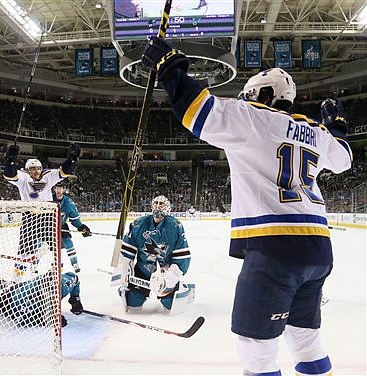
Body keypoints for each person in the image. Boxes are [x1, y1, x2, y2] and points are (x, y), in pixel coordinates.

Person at [141, 37, 352, 375]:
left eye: (252, 95)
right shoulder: (314, 130)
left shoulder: (253, 117)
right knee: (305, 336)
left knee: (255, 348)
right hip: (318, 250)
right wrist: (337, 126)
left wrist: (169, 65)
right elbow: (343, 159)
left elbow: (196, 110)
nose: (246, 100)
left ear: (266, 96)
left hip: (274, 248)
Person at [2, 143, 81, 281]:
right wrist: (10, 160)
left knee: (56, 248)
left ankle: (57, 276)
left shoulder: (48, 175)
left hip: (48, 218)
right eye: (32, 169)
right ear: (27, 170)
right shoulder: (23, 178)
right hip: (30, 218)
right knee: (25, 252)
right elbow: (10, 174)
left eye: (38, 168)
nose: (36, 171)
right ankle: (15, 280)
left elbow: (64, 171)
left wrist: (72, 159)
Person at [118, 195, 192, 312]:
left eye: (161, 204)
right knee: (132, 304)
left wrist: (173, 274)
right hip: (143, 270)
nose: (158, 206)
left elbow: (182, 255)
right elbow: (127, 250)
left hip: (165, 272)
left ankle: (180, 288)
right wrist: (125, 270)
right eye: (155, 203)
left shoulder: (175, 226)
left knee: (170, 305)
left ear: (167, 207)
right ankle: (135, 292)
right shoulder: (138, 224)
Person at [0, 271, 83, 328]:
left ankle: (6, 285)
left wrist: (75, 299)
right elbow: (24, 321)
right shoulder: (37, 299)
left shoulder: (65, 283)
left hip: (22, 287)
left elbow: (75, 279)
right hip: (13, 300)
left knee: (15, 289)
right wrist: (52, 319)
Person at [52, 180, 92, 273]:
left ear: (64, 189)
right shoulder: (49, 198)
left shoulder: (68, 202)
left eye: (61, 188)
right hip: (47, 226)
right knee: (40, 245)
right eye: (57, 188)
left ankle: (75, 263)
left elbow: (74, 218)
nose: (58, 190)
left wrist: (81, 227)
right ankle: (34, 263)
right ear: (54, 189)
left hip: (61, 226)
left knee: (68, 243)